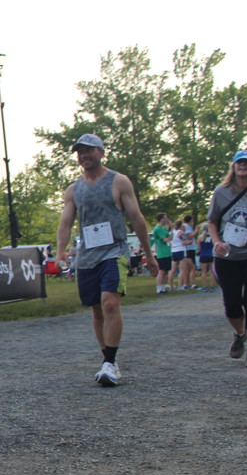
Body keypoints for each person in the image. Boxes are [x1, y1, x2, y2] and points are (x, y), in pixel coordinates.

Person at [55, 134, 157, 387]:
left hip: (115, 251)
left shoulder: (119, 181)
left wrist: (148, 253)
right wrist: (60, 251)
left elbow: (137, 218)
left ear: (101, 152)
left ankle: (109, 363)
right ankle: (108, 360)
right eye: (80, 152)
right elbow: (66, 222)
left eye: (88, 150)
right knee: (97, 309)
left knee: (109, 303)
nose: (84, 156)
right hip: (88, 255)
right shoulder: (74, 190)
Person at [207, 150, 247, 363]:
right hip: (227, 257)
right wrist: (216, 242)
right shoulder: (221, 192)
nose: (243, 166)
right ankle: (240, 334)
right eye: (239, 162)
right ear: (233, 167)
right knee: (232, 304)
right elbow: (212, 221)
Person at [151, 213, 173, 294]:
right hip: (162, 253)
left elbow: (169, 236)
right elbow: (165, 240)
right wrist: (169, 237)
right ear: (161, 219)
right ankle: (159, 288)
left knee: (166, 271)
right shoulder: (158, 229)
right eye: (165, 218)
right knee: (162, 271)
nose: (167, 219)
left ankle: (163, 288)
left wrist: (171, 228)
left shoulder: (163, 229)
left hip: (167, 252)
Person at [196, 221, 217, 291]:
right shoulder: (213, 236)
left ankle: (204, 286)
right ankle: (213, 287)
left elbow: (199, 247)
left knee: (204, 272)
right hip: (212, 254)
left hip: (203, 255)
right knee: (212, 272)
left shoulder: (200, 237)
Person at [181, 215, 198, 289]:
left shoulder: (187, 227)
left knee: (188, 268)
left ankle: (187, 283)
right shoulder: (187, 227)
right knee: (192, 267)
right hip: (189, 249)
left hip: (190, 248)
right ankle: (191, 283)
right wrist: (196, 230)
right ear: (190, 220)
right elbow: (190, 236)